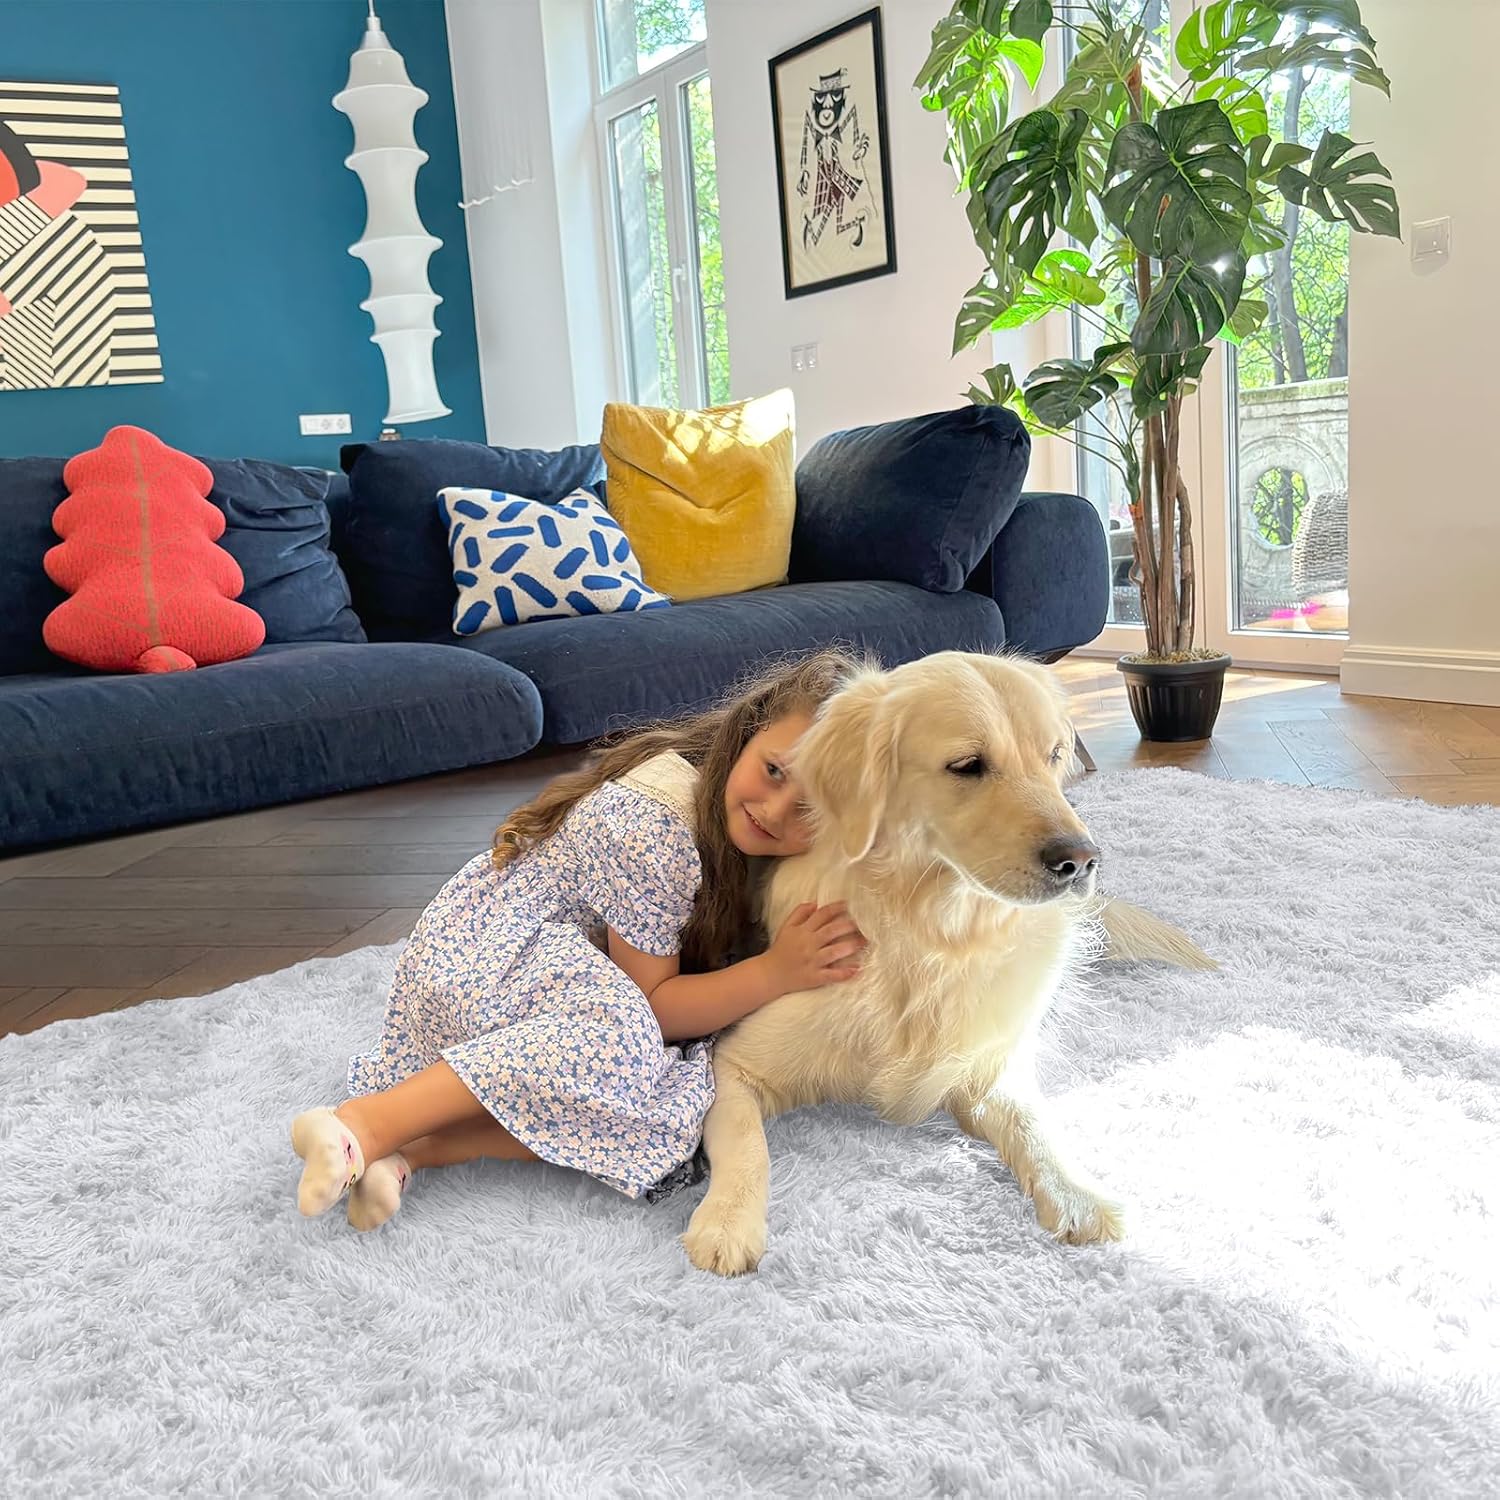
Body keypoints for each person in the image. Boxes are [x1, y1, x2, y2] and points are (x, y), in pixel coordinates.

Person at [289, 650, 867, 1230]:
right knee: (625, 1048)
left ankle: (406, 1153)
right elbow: (655, 1008)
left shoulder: (742, 831)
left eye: (810, 809)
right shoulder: (657, 825)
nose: (775, 811)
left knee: (675, 1109)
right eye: (773, 771)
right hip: (489, 962)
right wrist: (774, 972)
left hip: (548, 978)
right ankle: (363, 1124)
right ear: (749, 731)